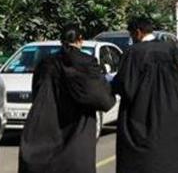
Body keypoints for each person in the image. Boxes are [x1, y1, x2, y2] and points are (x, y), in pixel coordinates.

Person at [18, 25, 115, 173]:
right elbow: (102, 98)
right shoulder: (86, 63)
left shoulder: (46, 63)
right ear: (80, 40)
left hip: (47, 127)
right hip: (78, 130)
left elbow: (37, 93)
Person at [112, 17, 178, 173]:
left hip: (141, 114)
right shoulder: (170, 49)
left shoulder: (134, 53)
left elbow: (125, 86)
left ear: (137, 32)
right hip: (172, 111)